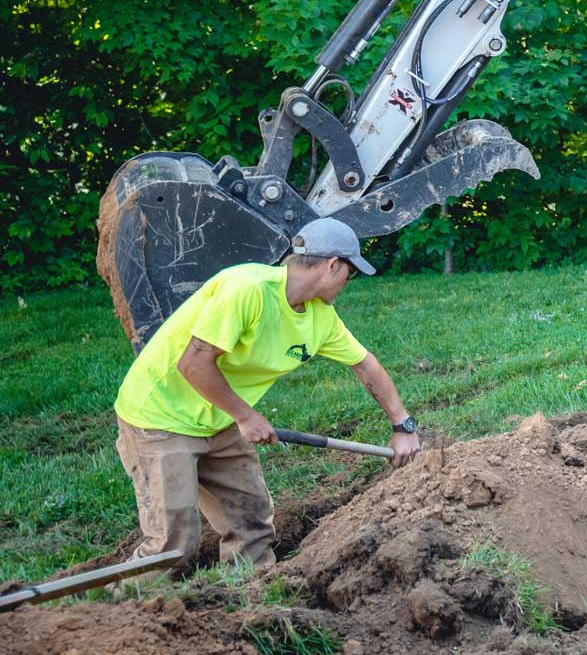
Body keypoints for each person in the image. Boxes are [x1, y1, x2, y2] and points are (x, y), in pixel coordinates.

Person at [111, 217, 421, 571]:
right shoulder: (246, 289)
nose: (349, 282)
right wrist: (245, 416)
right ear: (333, 265)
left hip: (218, 418)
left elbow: (366, 365)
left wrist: (403, 425)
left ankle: (254, 600)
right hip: (160, 417)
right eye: (349, 272)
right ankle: (124, 617)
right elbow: (193, 364)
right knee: (174, 544)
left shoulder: (321, 318)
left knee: (252, 526)